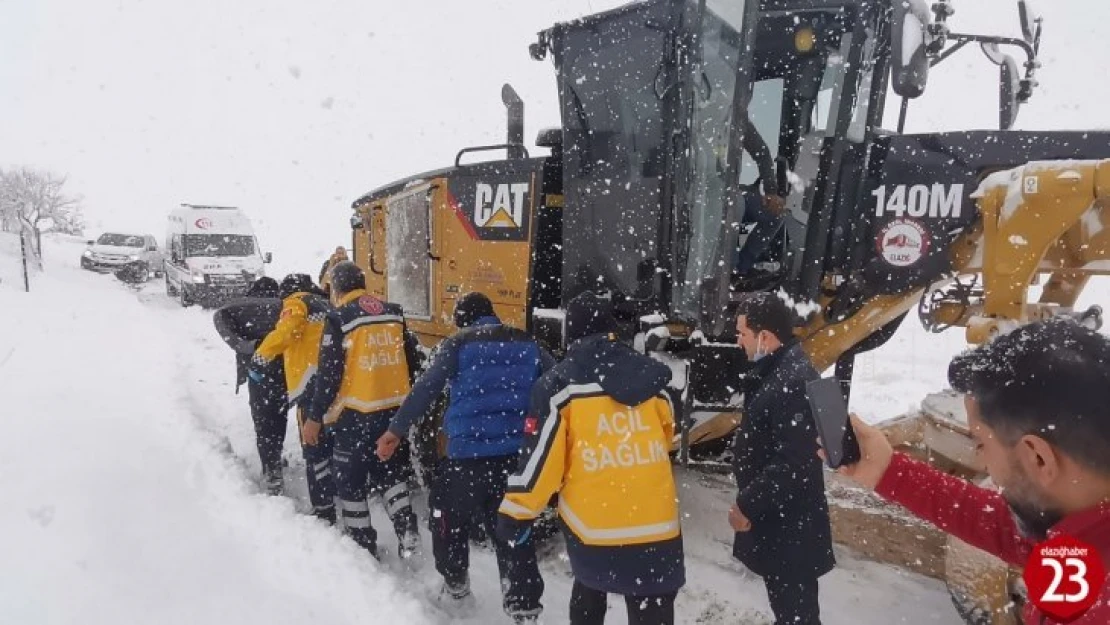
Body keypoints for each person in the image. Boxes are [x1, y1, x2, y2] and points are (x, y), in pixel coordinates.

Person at [832, 318, 1110, 624]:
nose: (982, 458)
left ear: (1039, 458)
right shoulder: (1080, 525)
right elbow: (1011, 531)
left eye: (979, 442)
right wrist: (887, 471)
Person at [497, 291, 685, 625]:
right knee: (651, 605)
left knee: (588, 591)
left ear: (571, 333)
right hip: (658, 530)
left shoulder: (557, 387)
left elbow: (542, 465)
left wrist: (515, 514)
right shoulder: (656, 382)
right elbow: (671, 439)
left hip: (594, 530)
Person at [376, 292, 552, 621]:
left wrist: (395, 430)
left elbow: (426, 389)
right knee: (514, 530)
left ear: (463, 320)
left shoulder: (458, 345)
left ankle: (456, 586)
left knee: (447, 522)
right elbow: (557, 385)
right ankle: (524, 607)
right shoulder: (528, 343)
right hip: (517, 461)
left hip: (467, 459)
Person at [307, 261, 422, 561]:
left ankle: (361, 545)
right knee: (390, 472)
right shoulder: (393, 312)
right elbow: (412, 360)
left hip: (356, 413)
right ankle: (406, 526)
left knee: (350, 480)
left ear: (336, 288)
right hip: (394, 413)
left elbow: (329, 374)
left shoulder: (338, 317)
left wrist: (315, 416)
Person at [730, 292, 833, 625]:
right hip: (785, 523)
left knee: (797, 614)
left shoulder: (790, 380)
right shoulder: (781, 371)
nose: (738, 341)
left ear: (765, 336)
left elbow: (794, 462)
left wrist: (747, 504)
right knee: (791, 612)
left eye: (742, 333)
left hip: (790, 528)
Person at [253, 274, 336, 523]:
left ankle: (323, 508)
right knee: (332, 441)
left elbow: (286, 331)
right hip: (335, 381)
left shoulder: (296, 302)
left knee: (313, 445)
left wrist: (261, 355)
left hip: (309, 384)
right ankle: (338, 489)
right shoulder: (325, 303)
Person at [212, 277, 287, 494]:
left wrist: (246, 345)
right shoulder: (283, 306)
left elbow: (219, 317)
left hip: (258, 372)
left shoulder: (237, 307)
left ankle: (271, 468)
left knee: (263, 419)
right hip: (282, 370)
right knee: (279, 415)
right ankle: (275, 458)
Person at [734, 113, 787, 278]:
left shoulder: (737, 117)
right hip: (700, 192)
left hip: (730, 191)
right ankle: (724, 271)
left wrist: (771, 192)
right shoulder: (694, 110)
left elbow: (762, 154)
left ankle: (741, 268)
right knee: (732, 208)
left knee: (774, 214)